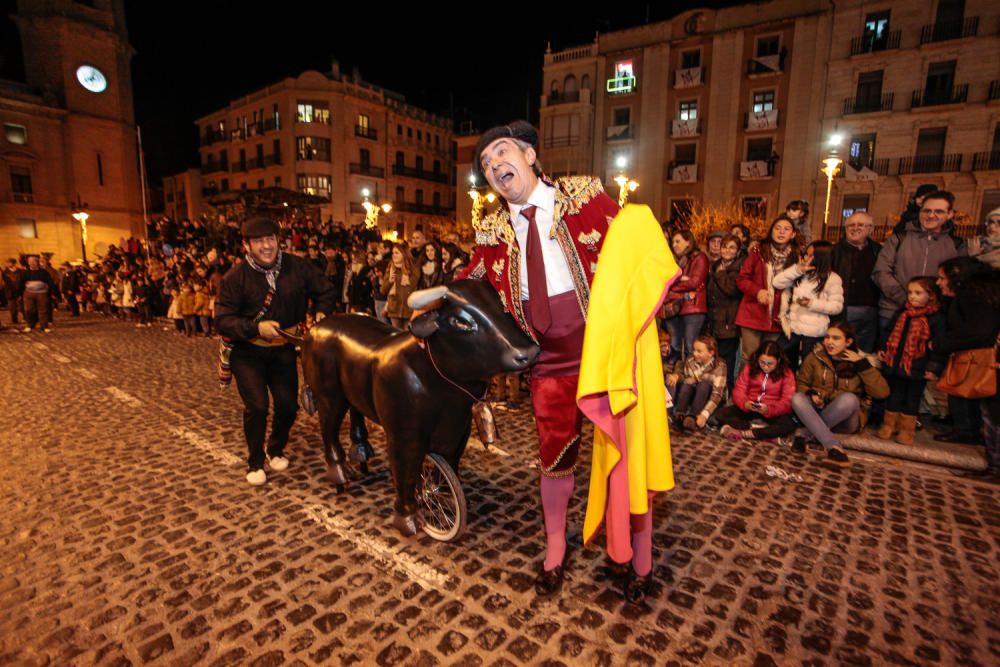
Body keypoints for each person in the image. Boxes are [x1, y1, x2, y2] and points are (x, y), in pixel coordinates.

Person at [455, 120, 623, 598]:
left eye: (501, 153)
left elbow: (630, 248)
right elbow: (474, 278)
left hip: (601, 351)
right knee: (555, 456)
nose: (493, 166)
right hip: (544, 360)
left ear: (529, 155)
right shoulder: (491, 227)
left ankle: (621, 547)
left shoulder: (585, 197)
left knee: (617, 453)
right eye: (486, 164)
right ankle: (555, 546)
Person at [215, 217, 336, 485]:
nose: (267, 246)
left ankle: (275, 448)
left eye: (270, 239)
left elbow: (326, 290)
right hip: (248, 351)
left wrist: (321, 311)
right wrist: (256, 328)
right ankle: (255, 461)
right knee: (257, 406)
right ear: (247, 246)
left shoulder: (298, 266)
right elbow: (223, 319)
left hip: (284, 349)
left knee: (288, 406)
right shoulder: (234, 278)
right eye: (259, 241)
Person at [873, 190, 966, 345]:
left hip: (934, 317)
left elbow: (957, 281)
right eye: (927, 211)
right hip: (894, 311)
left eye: (938, 211)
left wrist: (930, 303)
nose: (931, 215)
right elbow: (881, 272)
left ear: (949, 214)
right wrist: (908, 299)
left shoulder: (956, 245)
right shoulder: (899, 239)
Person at [792, 322, 890, 466]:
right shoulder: (815, 357)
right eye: (827, 337)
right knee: (797, 398)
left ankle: (805, 434)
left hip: (846, 420)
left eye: (836, 338)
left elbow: (882, 393)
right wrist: (811, 393)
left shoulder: (862, 362)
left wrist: (863, 365)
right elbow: (801, 383)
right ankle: (833, 448)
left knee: (849, 399)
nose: (829, 342)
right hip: (819, 411)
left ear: (848, 342)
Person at [933, 257, 999, 445]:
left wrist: (941, 343)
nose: (938, 282)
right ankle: (965, 427)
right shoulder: (975, 292)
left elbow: (977, 330)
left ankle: (968, 430)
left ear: (957, 275)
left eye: (942, 278)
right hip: (972, 354)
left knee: (973, 394)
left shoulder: (974, 295)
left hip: (979, 356)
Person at [877, 277, 945, 445]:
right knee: (894, 394)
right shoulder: (903, 313)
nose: (912, 297)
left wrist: (934, 367)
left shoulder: (935, 319)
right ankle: (889, 425)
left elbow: (938, 346)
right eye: (910, 293)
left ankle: (906, 430)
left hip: (918, 366)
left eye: (918, 293)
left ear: (930, 296)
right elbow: (888, 331)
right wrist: (883, 348)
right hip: (896, 363)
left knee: (912, 398)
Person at [735, 216, 798, 363]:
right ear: (771, 231)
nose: (781, 232)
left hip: (777, 318)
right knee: (750, 358)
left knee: (770, 360)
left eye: (786, 229)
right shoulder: (758, 252)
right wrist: (757, 292)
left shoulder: (796, 257)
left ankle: (765, 386)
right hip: (753, 314)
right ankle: (747, 386)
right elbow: (742, 279)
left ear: (793, 234)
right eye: (777, 228)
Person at [772, 240, 844, 370]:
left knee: (808, 365)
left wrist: (812, 303)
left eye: (811, 255)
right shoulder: (801, 274)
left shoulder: (832, 278)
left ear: (822, 258)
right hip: (793, 328)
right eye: (806, 254)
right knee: (778, 355)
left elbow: (837, 307)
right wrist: (797, 270)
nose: (806, 257)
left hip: (814, 332)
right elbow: (777, 282)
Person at [716, 340, 797, 443]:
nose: (766, 367)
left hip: (771, 410)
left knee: (789, 425)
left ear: (778, 360)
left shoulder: (786, 373)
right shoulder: (750, 368)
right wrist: (745, 403)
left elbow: (787, 401)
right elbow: (739, 390)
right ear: (757, 358)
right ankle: (756, 428)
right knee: (720, 414)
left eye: (770, 364)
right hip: (750, 407)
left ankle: (747, 433)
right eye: (762, 362)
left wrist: (769, 409)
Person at [831, 211, 881, 352]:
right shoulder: (835, 251)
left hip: (870, 309)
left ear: (871, 229)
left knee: (864, 353)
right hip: (844, 308)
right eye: (851, 225)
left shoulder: (878, 251)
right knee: (842, 350)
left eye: (860, 225)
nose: (855, 228)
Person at [666, 335, 727, 433]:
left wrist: (704, 414)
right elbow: (685, 378)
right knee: (687, 384)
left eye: (699, 351)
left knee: (704, 384)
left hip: (708, 402)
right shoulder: (690, 361)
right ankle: (679, 415)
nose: (695, 353)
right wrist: (678, 376)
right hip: (691, 397)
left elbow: (717, 395)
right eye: (694, 350)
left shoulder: (720, 367)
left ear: (711, 353)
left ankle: (692, 417)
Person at [706, 234, 745, 389]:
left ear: (738, 251)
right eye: (724, 246)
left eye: (732, 247)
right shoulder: (715, 266)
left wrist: (721, 274)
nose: (727, 250)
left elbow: (731, 289)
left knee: (727, 360)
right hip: (714, 319)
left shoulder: (739, 268)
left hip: (730, 322)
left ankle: (726, 390)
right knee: (715, 358)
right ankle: (714, 389)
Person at [663, 229, 709, 360]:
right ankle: (675, 376)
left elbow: (694, 282)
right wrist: (679, 279)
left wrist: (671, 287)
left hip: (692, 308)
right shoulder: (672, 260)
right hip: (673, 307)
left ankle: (691, 377)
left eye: (678, 241)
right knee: (674, 346)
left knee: (691, 347)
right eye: (672, 242)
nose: (674, 245)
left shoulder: (699, 258)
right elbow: (664, 281)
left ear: (688, 242)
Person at [380, 244, 420, 328]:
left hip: (409, 309)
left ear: (404, 254)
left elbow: (414, 285)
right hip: (394, 308)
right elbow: (383, 290)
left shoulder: (414, 268)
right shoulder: (391, 268)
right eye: (393, 253)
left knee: (407, 336)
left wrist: (404, 273)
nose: (393, 255)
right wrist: (390, 281)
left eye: (396, 253)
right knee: (397, 336)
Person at [17, 255, 54, 333]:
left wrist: (49, 293)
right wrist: (19, 294)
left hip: (41, 293)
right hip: (29, 294)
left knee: (43, 310)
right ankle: (29, 325)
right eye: (30, 262)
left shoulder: (43, 272)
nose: (31, 263)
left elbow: (50, 283)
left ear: (37, 263)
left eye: (33, 262)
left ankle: (44, 326)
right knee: (28, 310)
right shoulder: (25, 273)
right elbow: (20, 283)